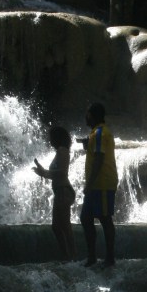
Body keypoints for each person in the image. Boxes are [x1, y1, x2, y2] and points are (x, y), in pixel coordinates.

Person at [78, 102, 118, 267]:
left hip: (101, 184)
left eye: (87, 114)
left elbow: (100, 159)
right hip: (97, 185)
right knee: (86, 218)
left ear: (93, 115)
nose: (85, 117)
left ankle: (109, 258)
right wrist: (88, 145)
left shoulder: (101, 133)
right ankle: (92, 257)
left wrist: (90, 183)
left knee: (104, 219)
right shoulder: (97, 133)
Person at [34, 124, 76, 261]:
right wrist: (43, 171)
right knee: (57, 227)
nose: (49, 140)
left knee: (64, 226)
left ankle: (72, 258)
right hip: (60, 191)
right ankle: (67, 256)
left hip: (64, 191)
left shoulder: (62, 150)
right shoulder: (60, 151)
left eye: (51, 137)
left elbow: (62, 173)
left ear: (56, 138)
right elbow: (56, 172)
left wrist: (44, 172)